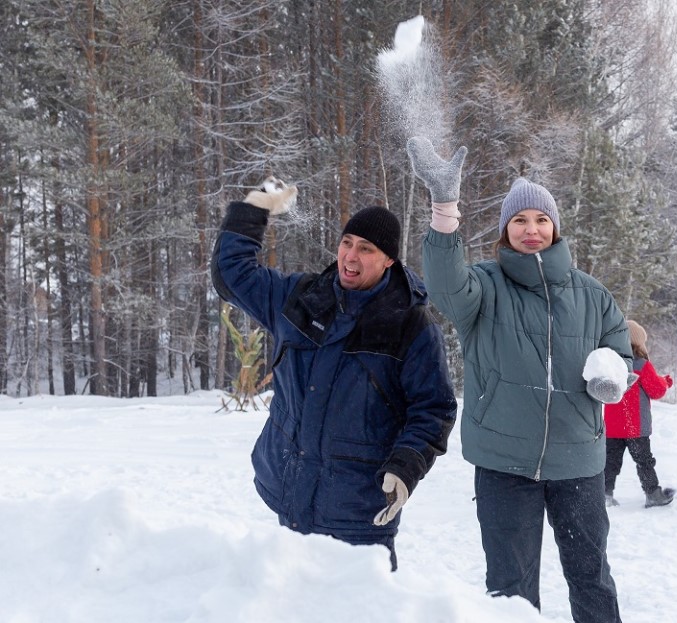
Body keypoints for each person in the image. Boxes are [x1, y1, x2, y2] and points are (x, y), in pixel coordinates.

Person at [407, 137, 633, 623]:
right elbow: (445, 288)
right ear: (506, 230)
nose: (532, 229)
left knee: (591, 576)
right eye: (520, 220)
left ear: (555, 228)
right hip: (505, 464)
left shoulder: (592, 294)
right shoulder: (484, 286)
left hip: (578, 461)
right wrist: (445, 208)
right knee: (510, 590)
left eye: (541, 220)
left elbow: (621, 348)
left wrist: (613, 370)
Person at [210, 177, 457, 570]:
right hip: (289, 494)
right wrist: (252, 211)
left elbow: (433, 409)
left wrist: (406, 466)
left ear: (389, 260)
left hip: (359, 513)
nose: (351, 257)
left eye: (366, 249)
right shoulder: (303, 299)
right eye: (346, 243)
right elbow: (231, 274)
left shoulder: (410, 325)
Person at [604, 321, 675, 509]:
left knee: (610, 462)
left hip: (612, 426)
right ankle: (652, 494)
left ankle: (604, 494)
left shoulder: (609, 364)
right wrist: (666, 382)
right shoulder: (641, 364)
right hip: (636, 427)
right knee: (644, 461)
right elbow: (657, 390)